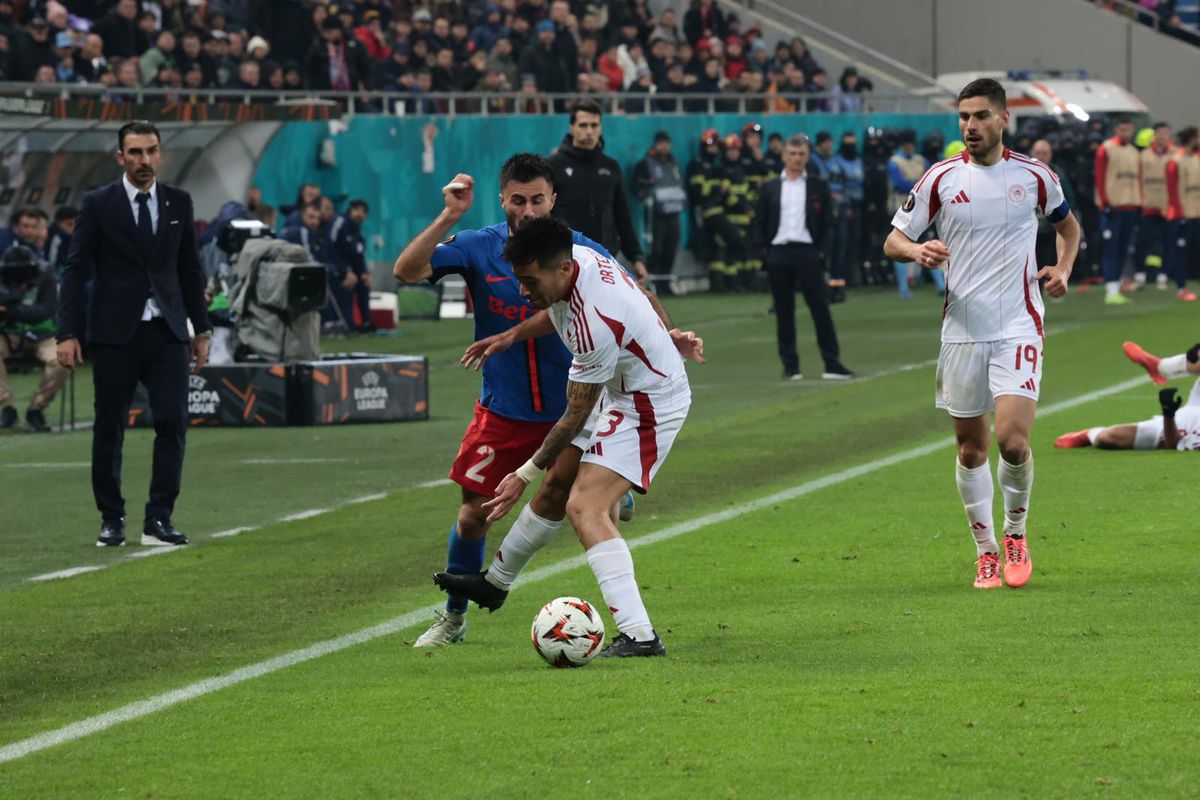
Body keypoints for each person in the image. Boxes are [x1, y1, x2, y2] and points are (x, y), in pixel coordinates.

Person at [433, 215, 695, 658]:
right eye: (518, 280)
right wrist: (662, 336)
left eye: (529, 281)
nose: (522, 292)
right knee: (556, 488)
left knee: (583, 505)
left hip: (649, 404)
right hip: (620, 386)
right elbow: (638, 298)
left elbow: (574, 413)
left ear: (562, 270)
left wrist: (522, 473)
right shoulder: (582, 261)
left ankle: (641, 636)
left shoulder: (594, 320)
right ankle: (494, 585)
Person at [390, 153, 619, 648]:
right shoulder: (479, 246)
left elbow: (628, 299)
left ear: (553, 199)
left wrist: (669, 335)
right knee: (473, 514)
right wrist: (451, 215)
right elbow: (406, 271)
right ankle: (453, 619)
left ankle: (620, 623)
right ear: (503, 200)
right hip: (504, 410)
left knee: (594, 508)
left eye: (538, 199)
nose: (529, 210)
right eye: (518, 201)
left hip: (573, 409)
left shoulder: (580, 251)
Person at [884, 78, 1081, 590]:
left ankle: (1016, 533)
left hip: (1019, 323)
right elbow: (893, 239)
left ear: (1003, 118)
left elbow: (1069, 227)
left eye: (980, 117)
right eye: (963, 117)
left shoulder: (1035, 176)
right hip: (962, 331)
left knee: (1013, 441)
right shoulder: (941, 178)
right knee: (971, 450)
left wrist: (1062, 268)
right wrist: (915, 251)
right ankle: (985, 550)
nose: (970, 126)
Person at [56, 120, 212, 548]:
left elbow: (188, 269)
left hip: (166, 331)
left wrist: (201, 328)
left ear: (160, 153)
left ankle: (159, 517)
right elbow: (76, 270)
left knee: (172, 421)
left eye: (151, 151)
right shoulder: (98, 203)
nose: (145, 160)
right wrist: (66, 332)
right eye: (136, 152)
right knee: (109, 427)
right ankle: (112, 517)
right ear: (120, 156)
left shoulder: (178, 201)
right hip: (113, 334)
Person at [754, 134, 854, 382]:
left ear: (807, 156)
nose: (796, 159)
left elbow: (828, 223)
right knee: (784, 312)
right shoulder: (770, 188)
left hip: (808, 252)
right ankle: (790, 367)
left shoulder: (818, 186)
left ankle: (832, 363)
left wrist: (822, 253)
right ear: (784, 156)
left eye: (801, 155)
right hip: (779, 253)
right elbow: (759, 223)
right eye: (792, 154)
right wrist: (765, 254)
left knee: (820, 308)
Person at [546, 101, 648, 285]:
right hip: (566, 260)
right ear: (572, 128)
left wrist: (636, 258)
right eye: (583, 125)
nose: (589, 131)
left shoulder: (611, 167)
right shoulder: (553, 166)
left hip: (605, 261)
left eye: (594, 125)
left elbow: (622, 215)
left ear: (600, 127)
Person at [0, 245, 68, 432]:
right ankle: (7, 407)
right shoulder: (3, 273)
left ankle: (36, 408)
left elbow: (46, 310)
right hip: (10, 333)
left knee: (61, 360)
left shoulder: (45, 275)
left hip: (44, 333)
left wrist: (11, 309)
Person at [1055, 379, 1200, 452]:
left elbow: (1173, 444)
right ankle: (1165, 365)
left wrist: (1168, 413)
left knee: (1109, 438)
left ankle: (1090, 434)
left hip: (1173, 426)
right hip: (1195, 404)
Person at [887, 129, 943, 298]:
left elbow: (929, 180)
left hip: (922, 207)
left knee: (929, 243)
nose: (909, 146)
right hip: (901, 208)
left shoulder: (921, 160)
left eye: (911, 143)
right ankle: (904, 288)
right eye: (906, 143)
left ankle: (941, 284)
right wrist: (918, 183)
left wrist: (916, 183)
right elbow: (899, 184)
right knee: (900, 244)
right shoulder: (894, 161)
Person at [632, 131, 687, 296]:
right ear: (656, 144)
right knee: (656, 248)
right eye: (662, 143)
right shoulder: (646, 163)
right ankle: (652, 283)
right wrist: (647, 193)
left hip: (673, 211)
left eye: (667, 143)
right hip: (655, 214)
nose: (665, 146)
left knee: (671, 246)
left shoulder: (672, 162)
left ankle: (665, 283)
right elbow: (637, 184)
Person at [1094, 117, 1141, 304]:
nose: (1126, 133)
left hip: (1130, 204)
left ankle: (1117, 285)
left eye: (1128, 129)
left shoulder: (1134, 151)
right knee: (1111, 248)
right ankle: (1111, 288)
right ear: (1116, 129)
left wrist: (1139, 200)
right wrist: (1104, 201)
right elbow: (1099, 176)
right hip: (1113, 206)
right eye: (1122, 129)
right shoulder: (1106, 148)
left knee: (1123, 248)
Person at [1137, 122, 1174, 291]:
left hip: (1168, 206)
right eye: (1159, 132)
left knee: (1168, 242)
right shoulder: (1143, 155)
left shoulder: (1175, 155)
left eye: (1165, 133)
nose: (1162, 136)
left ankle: (1163, 276)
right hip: (1148, 205)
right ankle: (1140, 276)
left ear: (1169, 135)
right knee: (1143, 241)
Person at [1164, 126, 1199, 301]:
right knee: (1181, 253)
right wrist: (1180, 214)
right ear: (1192, 139)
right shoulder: (1175, 161)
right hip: (1181, 215)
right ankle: (1181, 288)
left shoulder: (1196, 158)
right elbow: (1172, 192)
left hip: (1197, 213)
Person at [329, 199, 374, 332]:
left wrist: (364, 273)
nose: (360, 214)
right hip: (334, 268)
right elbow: (329, 247)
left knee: (364, 283)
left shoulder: (358, 235)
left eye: (363, 212)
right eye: (357, 210)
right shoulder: (339, 223)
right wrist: (343, 271)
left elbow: (358, 258)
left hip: (349, 271)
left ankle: (366, 322)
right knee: (349, 284)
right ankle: (347, 324)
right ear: (350, 210)